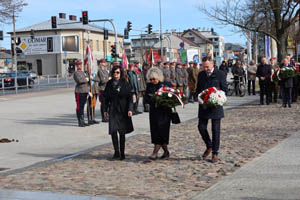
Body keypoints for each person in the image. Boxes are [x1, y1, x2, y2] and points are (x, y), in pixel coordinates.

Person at [196, 56, 227, 163]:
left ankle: (215, 152)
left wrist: (217, 97)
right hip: (204, 106)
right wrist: (199, 98)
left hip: (215, 106)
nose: (205, 69)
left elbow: (224, 89)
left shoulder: (220, 74)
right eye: (204, 67)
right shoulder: (201, 75)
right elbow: (198, 90)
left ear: (212, 64)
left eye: (207, 67)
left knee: (216, 130)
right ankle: (209, 145)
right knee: (201, 127)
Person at [103, 66, 134, 160]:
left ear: (121, 73)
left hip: (123, 110)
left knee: (122, 132)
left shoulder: (125, 83)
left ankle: (122, 152)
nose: (116, 75)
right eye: (114, 73)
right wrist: (105, 110)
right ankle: (116, 151)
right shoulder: (109, 84)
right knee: (113, 131)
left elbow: (130, 98)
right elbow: (105, 98)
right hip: (113, 110)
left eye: (118, 72)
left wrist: (130, 109)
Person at [145, 67, 172, 160]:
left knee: (162, 131)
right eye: (151, 79)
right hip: (154, 112)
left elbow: (171, 98)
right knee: (155, 131)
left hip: (164, 113)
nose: (153, 81)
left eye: (154, 79)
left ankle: (155, 152)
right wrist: (153, 99)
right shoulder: (149, 86)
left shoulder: (165, 85)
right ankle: (166, 152)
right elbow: (146, 99)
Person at [73, 60, 89, 127]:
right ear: (76, 66)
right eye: (78, 65)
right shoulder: (76, 73)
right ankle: (80, 121)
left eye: (80, 65)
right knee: (79, 107)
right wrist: (86, 79)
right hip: (79, 91)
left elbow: (86, 79)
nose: (80, 66)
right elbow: (79, 81)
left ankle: (83, 120)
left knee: (82, 106)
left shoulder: (83, 72)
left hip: (85, 91)